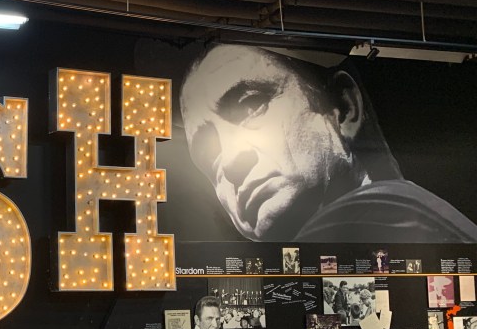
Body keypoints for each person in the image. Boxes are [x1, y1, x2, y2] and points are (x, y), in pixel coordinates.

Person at [180, 45, 477, 243]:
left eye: (251, 105)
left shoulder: (378, 216)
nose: (230, 160)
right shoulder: (415, 220)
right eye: (207, 152)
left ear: (344, 107)